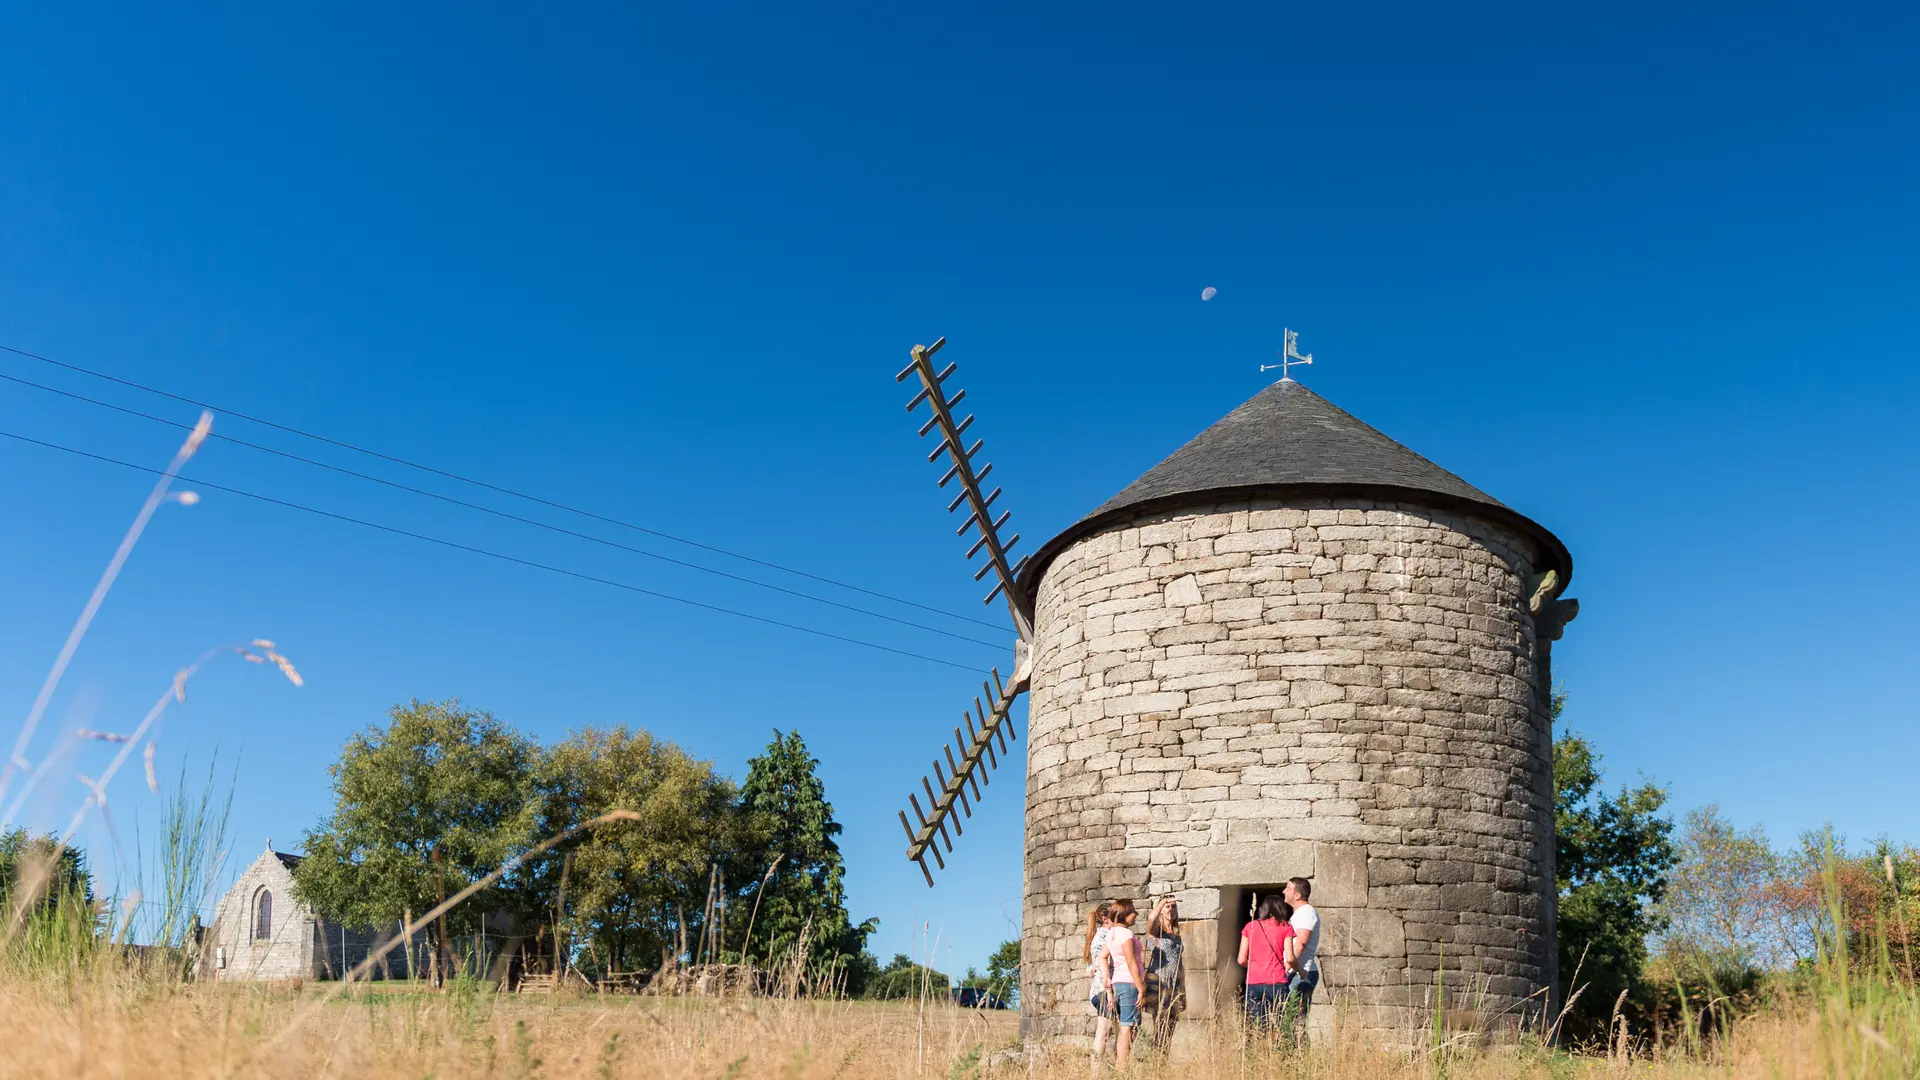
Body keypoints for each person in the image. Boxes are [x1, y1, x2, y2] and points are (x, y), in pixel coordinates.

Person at [1237, 893, 1295, 1029]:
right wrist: (1286, 967)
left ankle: (1261, 1048)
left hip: (1254, 982)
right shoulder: (1286, 927)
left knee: (1259, 1027)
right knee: (1279, 1026)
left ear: (1263, 908)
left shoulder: (1250, 926)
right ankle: (1276, 1049)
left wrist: (1252, 965)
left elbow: (1241, 960)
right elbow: (1291, 958)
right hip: (1277, 982)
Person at [1103, 899, 1147, 1067]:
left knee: (1126, 1026)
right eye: (1132, 912)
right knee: (1127, 1028)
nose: (1135, 915)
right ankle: (1122, 1070)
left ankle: (1123, 1067)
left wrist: (1108, 977)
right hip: (1130, 983)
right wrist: (1140, 988)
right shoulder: (1126, 934)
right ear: (1124, 914)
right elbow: (1130, 962)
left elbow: (1103, 956)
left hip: (1119, 983)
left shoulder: (1112, 933)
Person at [1141, 897, 1185, 1051]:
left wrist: (1183, 990)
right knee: (1161, 1024)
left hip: (1174, 984)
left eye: (1173, 907)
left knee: (1171, 1026)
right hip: (1158, 982)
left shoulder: (1177, 934)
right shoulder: (1157, 932)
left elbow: (1180, 963)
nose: (1170, 910)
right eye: (1167, 907)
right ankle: (1156, 1062)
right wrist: (1164, 900)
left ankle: (1162, 1062)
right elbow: (1151, 917)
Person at [1282, 876, 1321, 1045]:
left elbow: (1302, 942)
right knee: (1291, 1019)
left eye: (1288, 888)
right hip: (1296, 972)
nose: (1284, 891)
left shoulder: (1306, 912)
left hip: (1301, 973)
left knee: (1295, 1021)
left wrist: (1288, 965)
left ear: (1297, 895)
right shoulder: (1300, 913)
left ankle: (1297, 1059)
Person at [1083, 901, 1115, 1060]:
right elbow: (1104, 966)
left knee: (1105, 1031)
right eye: (1114, 913)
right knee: (1103, 1031)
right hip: (1104, 990)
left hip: (1099, 989)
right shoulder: (1105, 936)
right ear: (1105, 918)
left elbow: (1090, 965)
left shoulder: (1099, 936)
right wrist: (1109, 992)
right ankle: (1095, 1073)